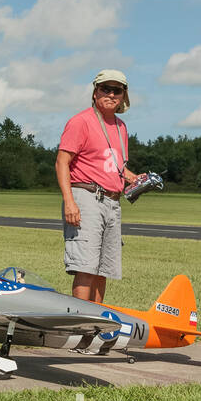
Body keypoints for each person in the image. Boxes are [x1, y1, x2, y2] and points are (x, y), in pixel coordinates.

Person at [56, 70, 141, 304]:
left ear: (124, 96)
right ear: (95, 93)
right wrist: (70, 202)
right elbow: (62, 162)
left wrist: (135, 178)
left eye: (117, 90)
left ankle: (95, 325)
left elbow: (115, 166)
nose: (111, 94)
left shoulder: (121, 127)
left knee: (104, 269)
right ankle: (79, 326)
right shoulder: (80, 122)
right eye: (105, 89)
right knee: (85, 267)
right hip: (86, 196)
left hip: (113, 201)